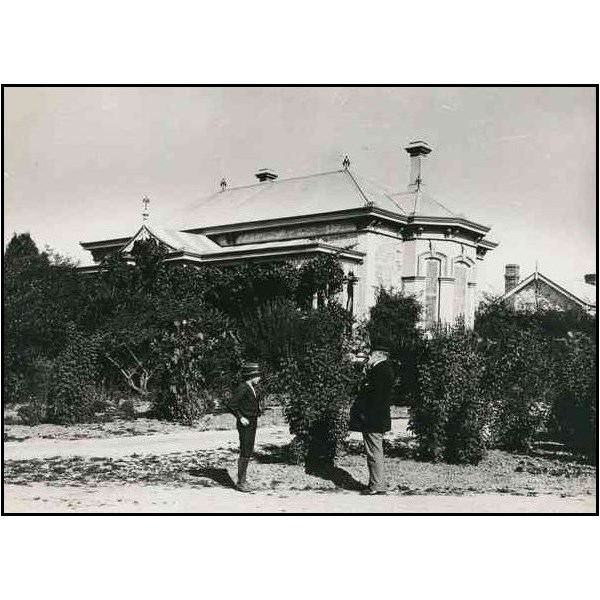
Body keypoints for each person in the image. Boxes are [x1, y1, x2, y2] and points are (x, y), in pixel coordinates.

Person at [349, 347, 394, 495]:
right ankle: (377, 483)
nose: (369, 356)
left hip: (373, 418)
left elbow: (374, 397)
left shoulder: (380, 370)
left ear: (380, 355)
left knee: (374, 452)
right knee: (375, 451)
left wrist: (365, 415)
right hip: (377, 417)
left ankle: (377, 486)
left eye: (372, 354)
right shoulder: (383, 369)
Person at [226, 362, 262, 492]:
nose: (259, 378)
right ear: (251, 376)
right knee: (245, 451)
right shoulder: (243, 388)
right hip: (245, 424)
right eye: (258, 375)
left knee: (248, 450)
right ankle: (241, 483)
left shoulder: (250, 388)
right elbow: (231, 404)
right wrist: (240, 417)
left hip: (252, 422)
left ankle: (243, 480)